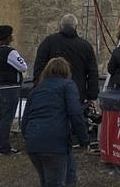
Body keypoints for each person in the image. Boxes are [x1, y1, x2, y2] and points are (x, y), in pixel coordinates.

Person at [34, 13, 99, 183]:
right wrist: (92, 95)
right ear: (75, 27)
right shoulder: (84, 46)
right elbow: (92, 72)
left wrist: (38, 89)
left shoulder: (49, 42)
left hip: (50, 95)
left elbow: (39, 66)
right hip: (76, 93)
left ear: (60, 26)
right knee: (69, 126)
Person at [22, 57, 89, 187]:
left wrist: (31, 138)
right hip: (55, 143)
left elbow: (25, 121)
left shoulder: (36, 90)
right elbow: (75, 114)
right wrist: (84, 140)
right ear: (66, 72)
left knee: (61, 177)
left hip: (34, 142)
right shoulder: (68, 86)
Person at [0, 24, 28, 155]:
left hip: (2, 86)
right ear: (8, 37)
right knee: (8, 117)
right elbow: (23, 67)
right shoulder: (10, 52)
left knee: (1, 115)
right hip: (11, 87)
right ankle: (4, 146)